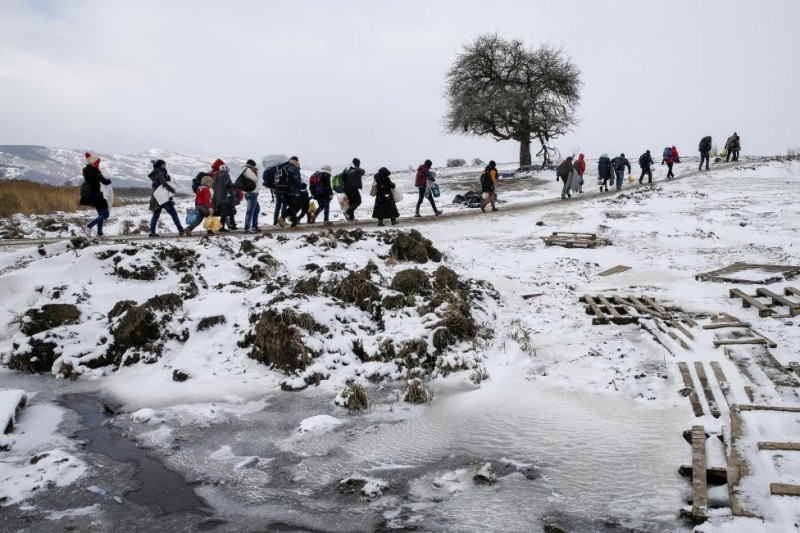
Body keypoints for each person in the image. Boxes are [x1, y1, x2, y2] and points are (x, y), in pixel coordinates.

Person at [79, 152, 113, 238]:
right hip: (98, 195)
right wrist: (109, 180)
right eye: (97, 162)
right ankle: (88, 226)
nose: (98, 164)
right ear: (94, 162)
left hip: (92, 196)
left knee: (100, 215)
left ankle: (99, 233)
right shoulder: (95, 171)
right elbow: (105, 181)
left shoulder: (86, 170)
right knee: (105, 214)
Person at [148, 159, 185, 237]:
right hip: (164, 197)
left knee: (156, 215)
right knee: (173, 214)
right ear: (161, 166)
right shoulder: (160, 173)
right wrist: (172, 190)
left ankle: (152, 232)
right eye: (164, 165)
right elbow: (164, 184)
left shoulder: (155, 173)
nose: (165, 166)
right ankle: (180, 230)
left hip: (156, 198)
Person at [279, 156, 303, 228]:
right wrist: (299, 188)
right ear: (296, 161)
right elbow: (297, 180)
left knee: (293, 206)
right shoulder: (294, 168)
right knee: (294, 206)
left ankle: (293, 223)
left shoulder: (285, 167)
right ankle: (284, 218)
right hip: (292, 191)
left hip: (285, 190)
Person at [212, 163, 236, 231]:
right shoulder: (226, 175)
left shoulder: (215, 176)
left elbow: (213, 186)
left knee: (221, 212)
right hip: (224, 197)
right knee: (225, 212)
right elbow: (228, 185)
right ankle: (222, 227)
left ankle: (231, 225)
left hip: (217, 197)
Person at [240, 159, 261, 232]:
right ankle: (247, 228)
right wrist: (257, 172)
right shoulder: (248, 170)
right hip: (251, 193)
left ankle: (254, 226)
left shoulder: (247, 170)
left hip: (251, 193)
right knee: (250, 211)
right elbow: (255, 179)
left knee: (256, 209)